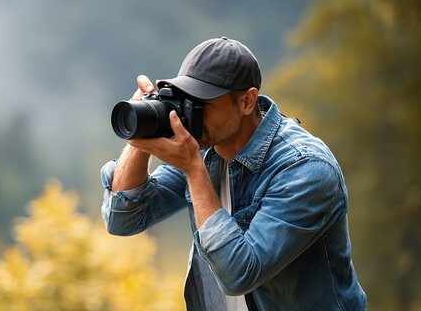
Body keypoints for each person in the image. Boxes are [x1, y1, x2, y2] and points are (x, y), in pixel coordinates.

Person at [100, 37, 367, 310]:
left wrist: (193, 169)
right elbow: (123, 220)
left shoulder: (305, 169)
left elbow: (240, 274)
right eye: (186, 100)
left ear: (247, 101)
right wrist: (144, 132)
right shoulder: (205, 146)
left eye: (203, 102)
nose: (193, 113)